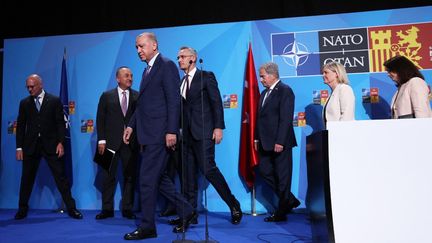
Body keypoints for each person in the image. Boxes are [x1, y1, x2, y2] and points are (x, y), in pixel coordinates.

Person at [122, 32, 194, 240]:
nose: (138, 51)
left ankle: (147, 227)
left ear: (154, 45)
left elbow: (173, 101)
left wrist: (172, 131)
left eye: (141, 46)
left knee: (146, 180)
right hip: (148, 133)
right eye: (136, 47)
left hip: (159, 134)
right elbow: (144, 104)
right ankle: (187, 210)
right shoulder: (147, 70)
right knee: (159, 179)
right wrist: (131, 126)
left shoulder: (166, 65)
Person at [167, 46, 242, 226]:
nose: (179, 60)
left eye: (183, 57)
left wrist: (218, 127)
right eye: (178, 57)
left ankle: (234, 204)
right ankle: (190, 213)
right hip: (185, 136)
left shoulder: (206, 76)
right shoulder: (180, 82)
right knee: (188, 176)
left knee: (208, 170)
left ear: (193, 58)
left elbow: (216, 102)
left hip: (203, 132)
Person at [15, 74, 83, 220]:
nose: (29, 89)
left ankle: (71, 208)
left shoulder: (54, 101)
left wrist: (60, 143)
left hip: (51, 145)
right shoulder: (24, 103)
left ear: (40, 85)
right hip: (31, 147)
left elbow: (60, 123)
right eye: (27, 86)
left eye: (32, 86)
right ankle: (22, 208)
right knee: (26, 179)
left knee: (61, 178)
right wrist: (19, 148)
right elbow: (20, 126)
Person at [254, 62, 300, 222]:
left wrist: (280, 141)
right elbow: (260, 119)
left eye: (262, 76)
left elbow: (285, 118)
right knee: (265, 172)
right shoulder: (263, 93)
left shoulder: (285, 91)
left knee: (283, 177)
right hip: (265, 142)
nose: (261, 79)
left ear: (272, 75)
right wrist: (256, 138)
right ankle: (289, 200)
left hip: (281, 142)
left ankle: (281, 212)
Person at [95, 66, 139, 220]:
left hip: (131, 143)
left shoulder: (137, 96)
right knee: (107, 177)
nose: (130, 78)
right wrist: (101, 140)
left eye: (131, 76)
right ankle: (107, 209)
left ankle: (127, 208)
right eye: (126, 75)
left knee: (130, 177)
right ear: (118, 78)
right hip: (108, 144)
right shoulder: (106, 96)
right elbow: (100, 119)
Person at [321, 61, 355, 127]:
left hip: (342, 134)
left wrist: (338, 133)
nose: (323, 75)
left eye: (326, 72)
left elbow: (347, 116)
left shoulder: (344, 89)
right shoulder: (332, 93)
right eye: (323, 73)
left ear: (336, 74)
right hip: (332, 133)